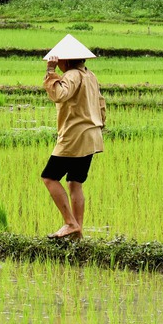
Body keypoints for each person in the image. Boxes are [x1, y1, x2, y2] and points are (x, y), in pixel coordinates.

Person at [40, 35, 106, 240]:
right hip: (91, 135)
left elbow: (60, 94)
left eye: (58, 62)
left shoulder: (71, 75)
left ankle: (70, 223)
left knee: (49, 177)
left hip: (74, 136)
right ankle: (77, 231)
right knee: (75, 182)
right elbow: (101, 104)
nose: (57, 64)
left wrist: (50, 74)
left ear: (66, 61)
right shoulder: (90, 76)